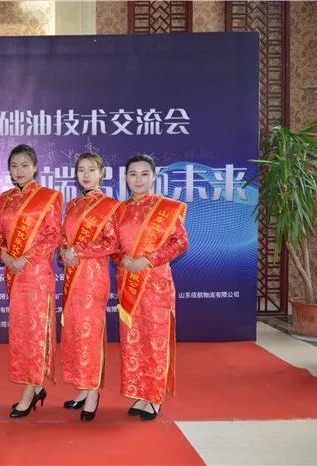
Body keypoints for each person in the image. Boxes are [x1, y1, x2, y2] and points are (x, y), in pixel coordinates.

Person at [115, 153, 189, 421]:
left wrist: (147, 260)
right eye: (133, 174)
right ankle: (139, 393)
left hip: (156, 283)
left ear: (154, 176)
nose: (138, 179)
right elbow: (113, 245)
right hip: (128, 283)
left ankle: (154, 397)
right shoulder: (119, 210)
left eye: (144, 174)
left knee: (155, 340)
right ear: (125, 177)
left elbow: (180, 242)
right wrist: (121, 258)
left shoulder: (166, 208)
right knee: (133, 339)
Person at [0, 144, 63, 418]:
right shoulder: (5, 198)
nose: (19, 170)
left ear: (35, 167)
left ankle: (31, 389)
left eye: (24, 164)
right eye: (14, 166)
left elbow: (54, 235)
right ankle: (34, 385)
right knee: (21, 333)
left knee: (35, 332)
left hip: (36, 273)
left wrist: (26, 258)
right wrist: (5, 255)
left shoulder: (50, 197)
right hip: (13, 272)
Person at [60, 152, 121, 422]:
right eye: (81, 170)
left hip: (93, 277)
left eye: (92, 170)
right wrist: (64, 251)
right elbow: (63, 238)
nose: (86, 175)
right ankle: (83, 389)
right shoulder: (72, 205)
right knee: (75, 332)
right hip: (72, 276)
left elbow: (112, 243)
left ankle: (93, 392)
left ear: (101, 173)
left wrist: (78, 251)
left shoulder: (110, 206)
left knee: (90, 334)